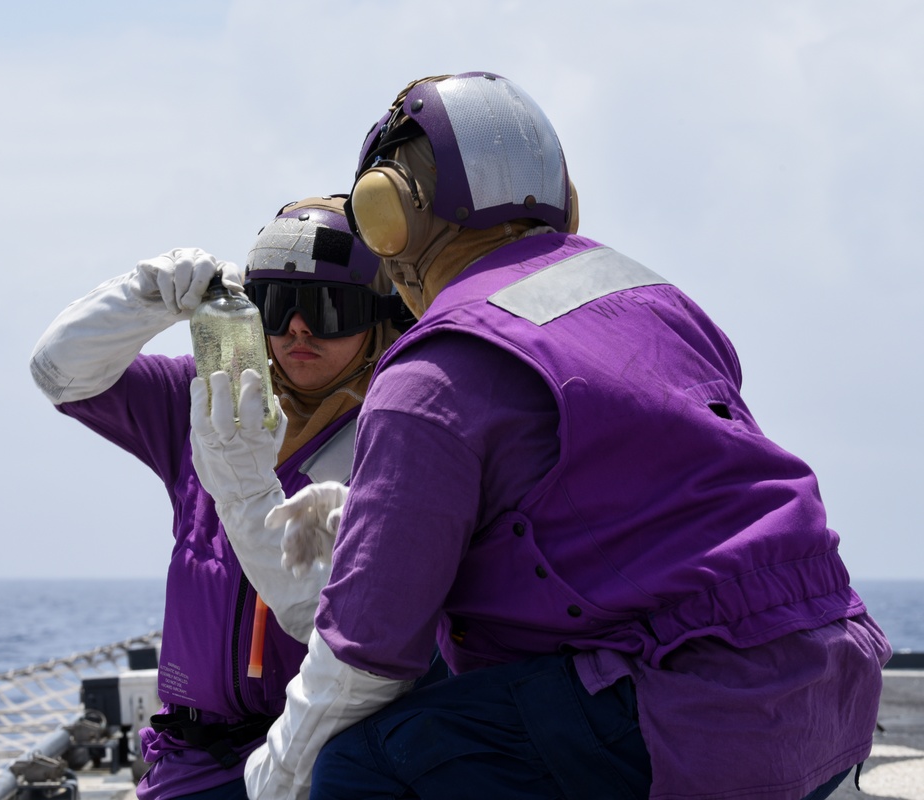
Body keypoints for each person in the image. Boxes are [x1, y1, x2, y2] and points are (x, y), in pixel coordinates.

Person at [192, 73, 892, 800]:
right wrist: (376, 506)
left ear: (387, 217)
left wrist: (271, 780)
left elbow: (365, 659)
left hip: (699, 712)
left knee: (366, 762)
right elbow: (633, 499)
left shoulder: (432, 372)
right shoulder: (656, 301)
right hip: (831, 680)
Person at [28, 195, 404, 800]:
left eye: (332, 309)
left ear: (380, 318)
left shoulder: (402, 434)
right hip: (187, 757)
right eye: (278, 307)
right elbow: (58, 372)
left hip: (319, 755)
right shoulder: (201, 401)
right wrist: (144, 296)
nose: (299, 329)